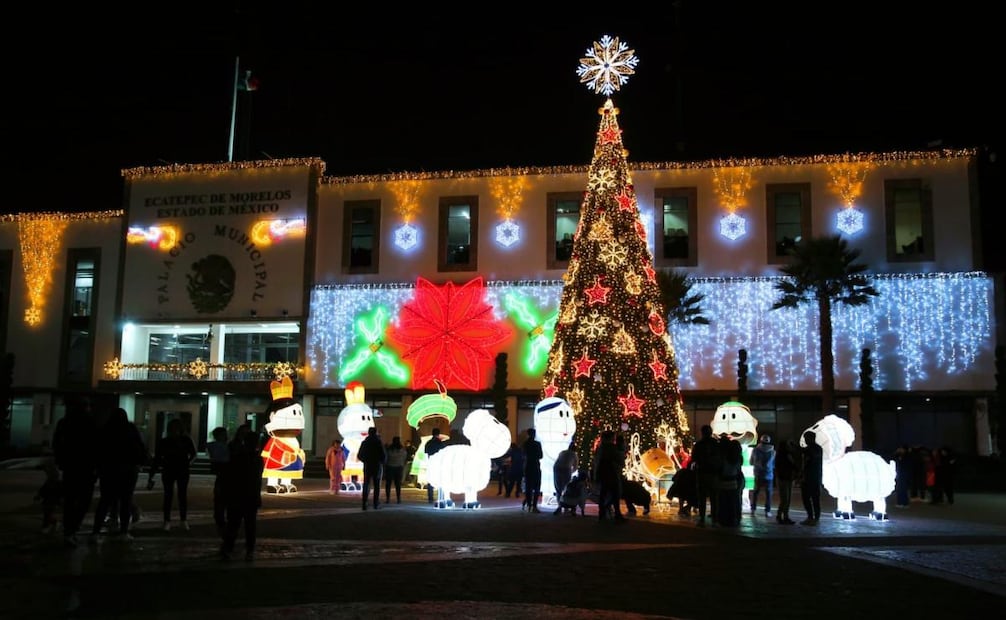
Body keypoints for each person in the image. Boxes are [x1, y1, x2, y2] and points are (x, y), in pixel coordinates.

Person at [90, 407, 147, 542]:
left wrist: (98, 467)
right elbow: (139, 448)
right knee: (126, 501)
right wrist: (139, 462)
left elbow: (97, 450)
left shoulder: (105, 430)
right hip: (128, 470)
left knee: (105, 501)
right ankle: (123, 532)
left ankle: (95, 532)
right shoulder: (130, 430)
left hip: (108, 470)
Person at [52, 396, 98, 547]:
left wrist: (61, 461)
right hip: (86, 468)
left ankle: (69, 531)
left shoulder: (64, 423)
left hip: (70, 467)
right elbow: (96, 446)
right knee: (83, 501)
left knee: (70, 500)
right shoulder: (90, 423)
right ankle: (72, 529)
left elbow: (57, 444)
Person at [220, 424, 264, 561]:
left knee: (233, 524)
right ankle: (249, 550)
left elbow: (230, 475)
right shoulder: (257, 459)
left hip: (237, 496)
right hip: (250, 497)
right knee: (249, 526)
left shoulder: (238, 457)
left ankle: (228, 549)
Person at [147, 418, 197, 531]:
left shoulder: (185, 440)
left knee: (181, 495)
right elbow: (158, 458)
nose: (175, 431)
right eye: (173, 429)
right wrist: (152, 474)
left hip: (180, 470)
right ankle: (168, 520)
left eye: (177, 428)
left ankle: (182, 520)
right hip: (169, 469)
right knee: (168, 495)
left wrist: (188, 463)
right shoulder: (165, 441)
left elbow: (194, 454)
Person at [689, 424, 722, 527]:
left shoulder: (699, 445)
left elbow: (694, 458)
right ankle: (715, 519)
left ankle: (702, 518)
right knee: (714, 497)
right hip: (713, 474)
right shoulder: (716, 444)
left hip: (702, 473)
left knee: (702, 497)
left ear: (702, 433)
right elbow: (719, 458)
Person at [592, 430, 624, 522]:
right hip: (611, 473)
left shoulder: (600, 448)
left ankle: (603, 514)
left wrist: (596, 474)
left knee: (604, 493)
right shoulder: (611, 448)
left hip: (603, 473)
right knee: (615, 493)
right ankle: (616, 514)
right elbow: (619, 459)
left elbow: (597, 462)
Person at [207, 426, 230, 535]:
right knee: (221, 497)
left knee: (220, 497)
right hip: (224, 473)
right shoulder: (222, 447)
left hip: (222, 474)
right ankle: (221, 518)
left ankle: (220, 517)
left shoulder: (213, 446)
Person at [357, 426, 387, 510]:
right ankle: (375, 503)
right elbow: (383, 455)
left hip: (367, 465)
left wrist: (365, 460)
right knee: (377, 485)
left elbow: (359, 455)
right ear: (376, 432)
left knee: (366, 484)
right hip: (377, 466)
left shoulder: (365, 442)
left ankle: (364, 503)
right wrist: (381, 462)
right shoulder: (378, 442)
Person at [717, 435, 743, 526]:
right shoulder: (738, 458)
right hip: (734, 481)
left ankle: (724, 519)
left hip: (724, 481)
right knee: (733, 501)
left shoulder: (723, 456)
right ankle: (734, 518)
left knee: (724, 501)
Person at [801, 430, 824, 525]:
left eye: (806, 438)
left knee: (814, 498)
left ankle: (815, 518)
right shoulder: (812, 449)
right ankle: (811, 517)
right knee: (807, 498)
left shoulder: (816, 449)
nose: (805, 440)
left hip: (813, 477)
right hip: (810, 477)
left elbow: (811, 458)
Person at [749, 434, 775, 517]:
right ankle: (767, 511)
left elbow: (751, 462)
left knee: (756, 492)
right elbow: (774, 465)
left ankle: (753, 510)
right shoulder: (773, 451)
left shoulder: (755, 450)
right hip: (769, 475)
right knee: (768, 493)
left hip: (758, 474)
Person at [36, 457, 63, 534]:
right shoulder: (50, 479)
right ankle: (53, 523)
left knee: (48, 512)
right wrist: (39, 494)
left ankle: (46, 526)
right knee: (47, 512)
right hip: (48, 498)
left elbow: (60, 490)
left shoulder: (56, 480)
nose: (46, 471)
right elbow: (44, 488)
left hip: (52, 498)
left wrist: (60, 498)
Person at [773, 439, 798, 524]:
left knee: (785, 499)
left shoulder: (779, 455)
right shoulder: (786, 455)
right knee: (786, 499)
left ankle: (782, 515)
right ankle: (782, 516)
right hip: (786, 478)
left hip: (783, 478)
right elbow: (794, 465)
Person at [551, 440, 578, 514]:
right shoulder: (574, 455)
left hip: (557, 468)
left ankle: (559, 506)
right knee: (566, 488)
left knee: (558, 488)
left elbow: (558, 461)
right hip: (566, 469)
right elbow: (575, 467)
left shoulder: (562, 452)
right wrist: (571, 472)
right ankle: (566, 506)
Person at [522, 428, 544, 513]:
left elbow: (523, 454)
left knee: (528, 487)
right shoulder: (537, 444)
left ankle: (528, 504)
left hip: (528, 466)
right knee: (537, 487)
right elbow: (541, 456)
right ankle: (534, 506)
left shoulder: (525, 444)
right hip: (535, 465)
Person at [424, 428, 446, 503]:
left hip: (431, 463)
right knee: (440, 480)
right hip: (439, 464)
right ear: (438, 434)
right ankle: (441, 497)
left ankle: (430, 497)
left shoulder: (428, 443)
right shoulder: (440, 443)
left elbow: (426, 454)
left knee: (430, 481)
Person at [385, 436, 407, 504]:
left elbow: (386, 457)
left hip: (390, 467)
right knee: (398, 484)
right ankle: (398, 498)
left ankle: (388, 499)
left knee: (388, 484)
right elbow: (404, 457)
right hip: (399, 467)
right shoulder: (402, 449)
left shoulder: (389, 449)